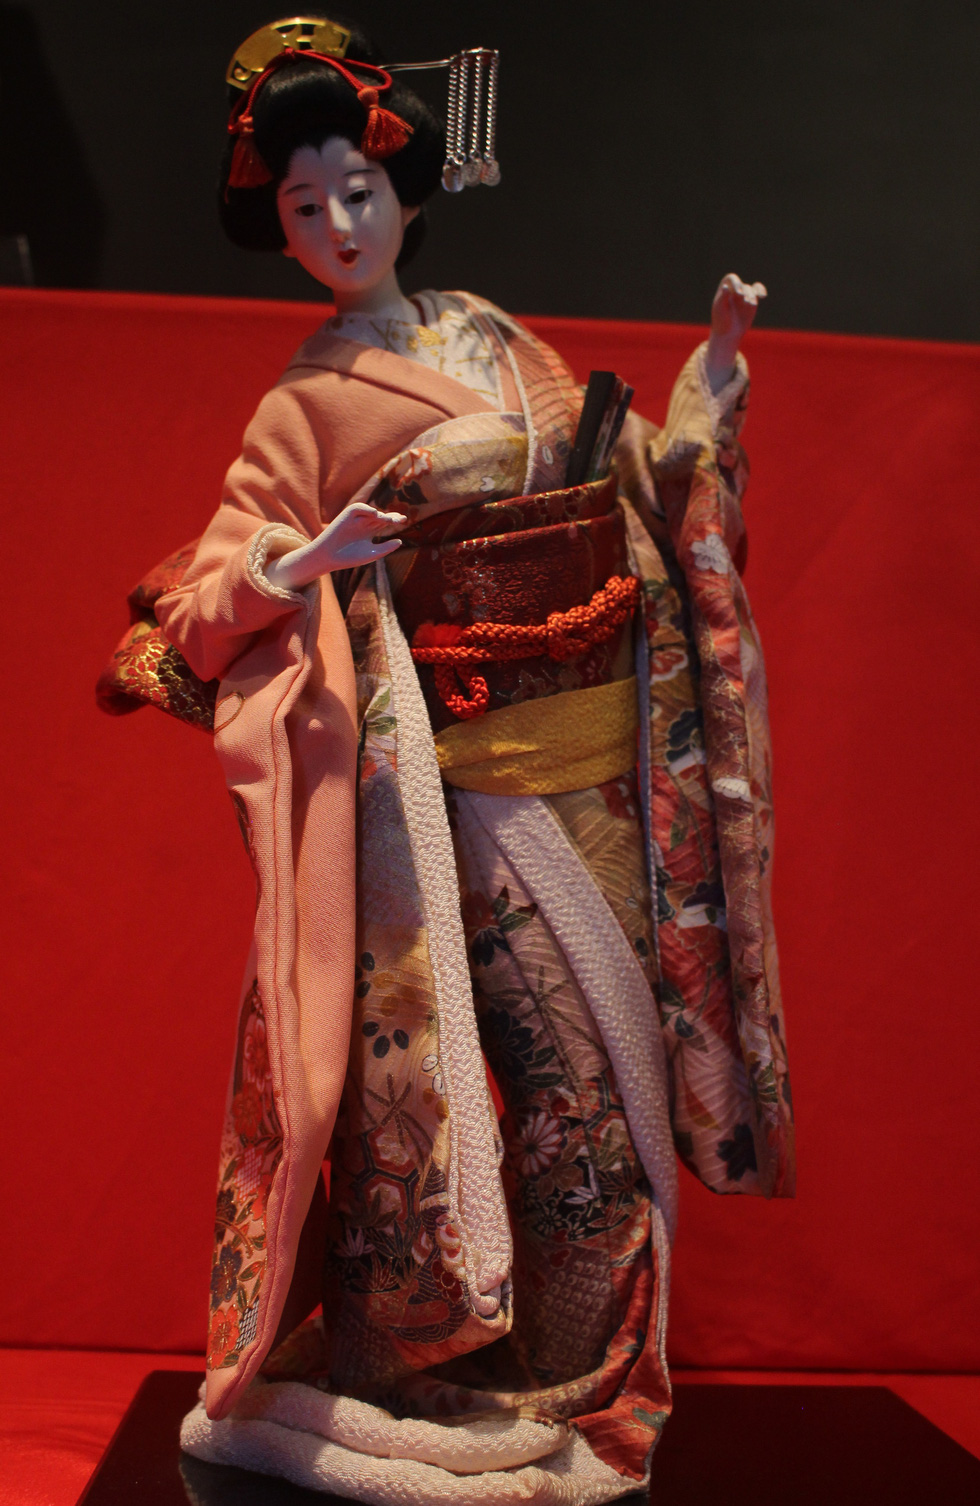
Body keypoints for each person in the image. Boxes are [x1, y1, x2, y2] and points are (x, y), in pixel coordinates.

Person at [100, 15, 794, 1502]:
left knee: (618, 1061)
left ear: (405, 194)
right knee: (558, 1082)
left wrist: (708, 390)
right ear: (280, 228)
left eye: (357, 191)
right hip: (466, 784)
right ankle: (514, 1358)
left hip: (601, 768)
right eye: (304, 206)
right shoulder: (302, 404)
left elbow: (631, 484)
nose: (337, 226)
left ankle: (590, 1364)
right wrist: (308, 560)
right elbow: (211, 593)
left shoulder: (488, 331)